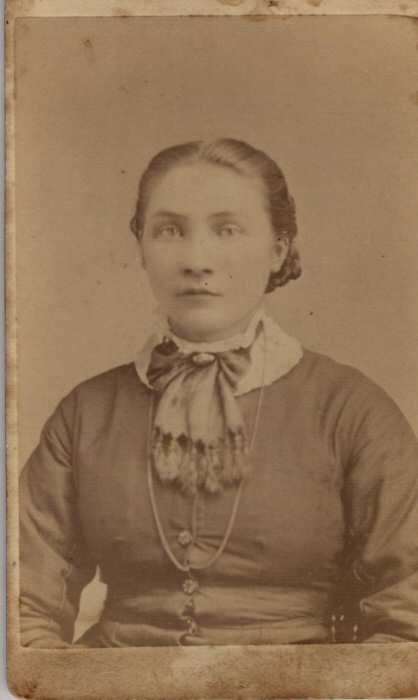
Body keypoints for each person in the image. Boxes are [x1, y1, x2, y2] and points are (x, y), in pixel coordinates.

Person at [19, 138, 418, 648]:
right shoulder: (85, 415)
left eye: (227, 230)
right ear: (141, 247)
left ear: (277, 249)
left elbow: (407, 622)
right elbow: (23, 611)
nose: (196, 259)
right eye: (169, 230)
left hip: (301, 685)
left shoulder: (353, 412)